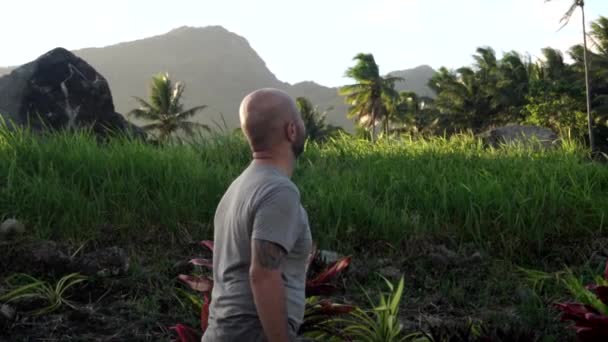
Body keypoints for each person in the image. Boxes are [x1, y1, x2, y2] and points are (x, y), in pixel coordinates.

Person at [201, 88, 312, 342]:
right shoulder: (279, 190)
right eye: (300, 121)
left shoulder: (238, 186)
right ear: (291, 131)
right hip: (251, 333)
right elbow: (263, 275)